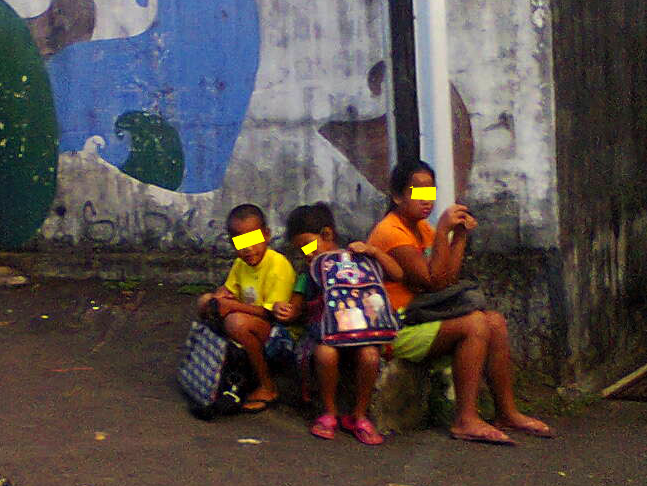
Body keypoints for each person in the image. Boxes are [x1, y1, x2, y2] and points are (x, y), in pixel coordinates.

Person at [367, 159, 553, 445]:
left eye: (430, 192)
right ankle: (465, 418)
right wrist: (443, 232)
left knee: (496, 322)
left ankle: (507, 412)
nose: (426, 201)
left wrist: (460, 237)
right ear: (397, 196)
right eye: (418, 192)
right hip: (398, 328)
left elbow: (447, 279)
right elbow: (433, 281)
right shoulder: (391, 231)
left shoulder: (422, 229)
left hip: (422, 317)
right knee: (475, 324)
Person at [278, 202, 401, 446]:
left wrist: (374, 252)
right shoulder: (309, 273)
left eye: (307, 246)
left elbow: (397, 275)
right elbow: (296, 307)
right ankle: (329, 412)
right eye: (300, 251)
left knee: (369, 357)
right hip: (326, 335)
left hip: (362, 333)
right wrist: (283, 310)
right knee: (325, 354)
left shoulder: (358, 261)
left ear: (327, 234)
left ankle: (359, 415)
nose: (306, 254)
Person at [196, 203, 296, 413]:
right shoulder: (241, 264)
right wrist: (218, 296)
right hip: (250, 321)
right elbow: (228, 289)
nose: (248, 248)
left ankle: (267, 386)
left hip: (278, 332)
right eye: (241, 242)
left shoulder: (278, 266)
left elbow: (271, 314)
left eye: (253, 240)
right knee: (205, 301)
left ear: (266, 235)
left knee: (235, 322)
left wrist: (231, 305)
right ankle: (218, 371)